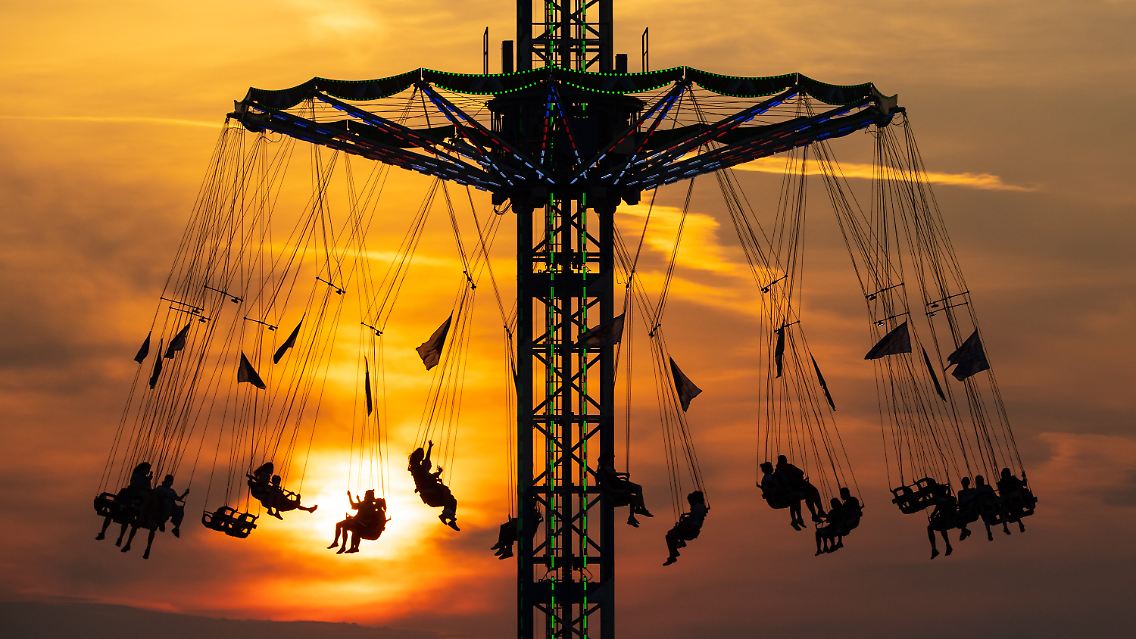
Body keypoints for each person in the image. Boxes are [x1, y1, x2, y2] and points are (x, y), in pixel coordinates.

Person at [408, 442, 461, 531]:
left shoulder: (420, 468)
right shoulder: (417, 469)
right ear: (417, 456)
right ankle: (445, 514)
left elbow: (427, 459)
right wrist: (437, 475)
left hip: (432, 494)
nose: (422, 456)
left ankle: (450, 519)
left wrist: (430, 447)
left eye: (422, 454)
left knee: (453, 500)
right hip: (429, 494)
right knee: (445, 490)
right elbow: (427, 476)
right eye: (421, 454)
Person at [96, 461, 153, 543]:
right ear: (143, 469)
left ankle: (115, 536)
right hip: (134, 495)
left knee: (122, 516)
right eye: (147, 469)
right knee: (122, 514)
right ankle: (109, 534)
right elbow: (144, 488)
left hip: (131, 493)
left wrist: (148, 480)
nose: (148, 471)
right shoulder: (138, 476)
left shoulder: (138, 476)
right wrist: (148, 481)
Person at [596, 454, 653, 527]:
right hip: (617, 490)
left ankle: (634, 514)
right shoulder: (604, 471)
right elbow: (612, 476)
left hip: (619, 487)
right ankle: (639, 510)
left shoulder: (605, 471)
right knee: (637, 491)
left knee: (636, 493)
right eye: (611, 459)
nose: (612, 461)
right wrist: (624, 475)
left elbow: (612, 475)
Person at [247, 462, 317, 519]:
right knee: (290, 501)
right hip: (274, 500)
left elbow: (282, 497)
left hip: (279, 501)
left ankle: (307, 508)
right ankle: (275, 511)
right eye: (271, 468)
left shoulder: (267, 478)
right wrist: (266, 487)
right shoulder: (264, 475)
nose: (272, 470)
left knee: (294, 503)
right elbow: (262, 484)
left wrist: (289, 495)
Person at [329, 489, 387, 553]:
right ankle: (342, 545)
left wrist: (349, 496)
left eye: (365, 495)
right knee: (343, 526)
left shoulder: (366, 505)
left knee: (341, 525)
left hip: (360, 524)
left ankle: (341, 545)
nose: (364, 496)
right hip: (359, 523)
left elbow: (353, 505)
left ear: (367, 497)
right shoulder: (370, 506)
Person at [663, 490, 709, 566]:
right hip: (689, 530)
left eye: (691, 503)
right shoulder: (699, 507)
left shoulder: (698, 508)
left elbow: (695, 521)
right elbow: (694, 517)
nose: (690, 506)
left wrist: (684, 523)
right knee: (670, 535)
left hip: (689, 531)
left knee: (669, 536)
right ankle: (674, 552)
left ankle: (674, 553)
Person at [996, 467, 1030, 534]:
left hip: (1012, 500)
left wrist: (1024, 477)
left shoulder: (1003, 482)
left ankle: (1014, 525)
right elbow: (1023, 484)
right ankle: (1018, 524)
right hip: (1012, 500)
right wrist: (1024, 478)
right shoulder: (1009, 480)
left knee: (1010, 509)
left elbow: (1023, 484)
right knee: (1011, 509)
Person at [926, 490, 958, 559]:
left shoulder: (940, 501)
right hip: (952, 520)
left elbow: (933, 514)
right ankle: (948, 545)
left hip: (947, 521)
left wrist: (932, 516)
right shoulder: (952, 499)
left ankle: (934, 548)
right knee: (942, 525)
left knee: (930, 528)